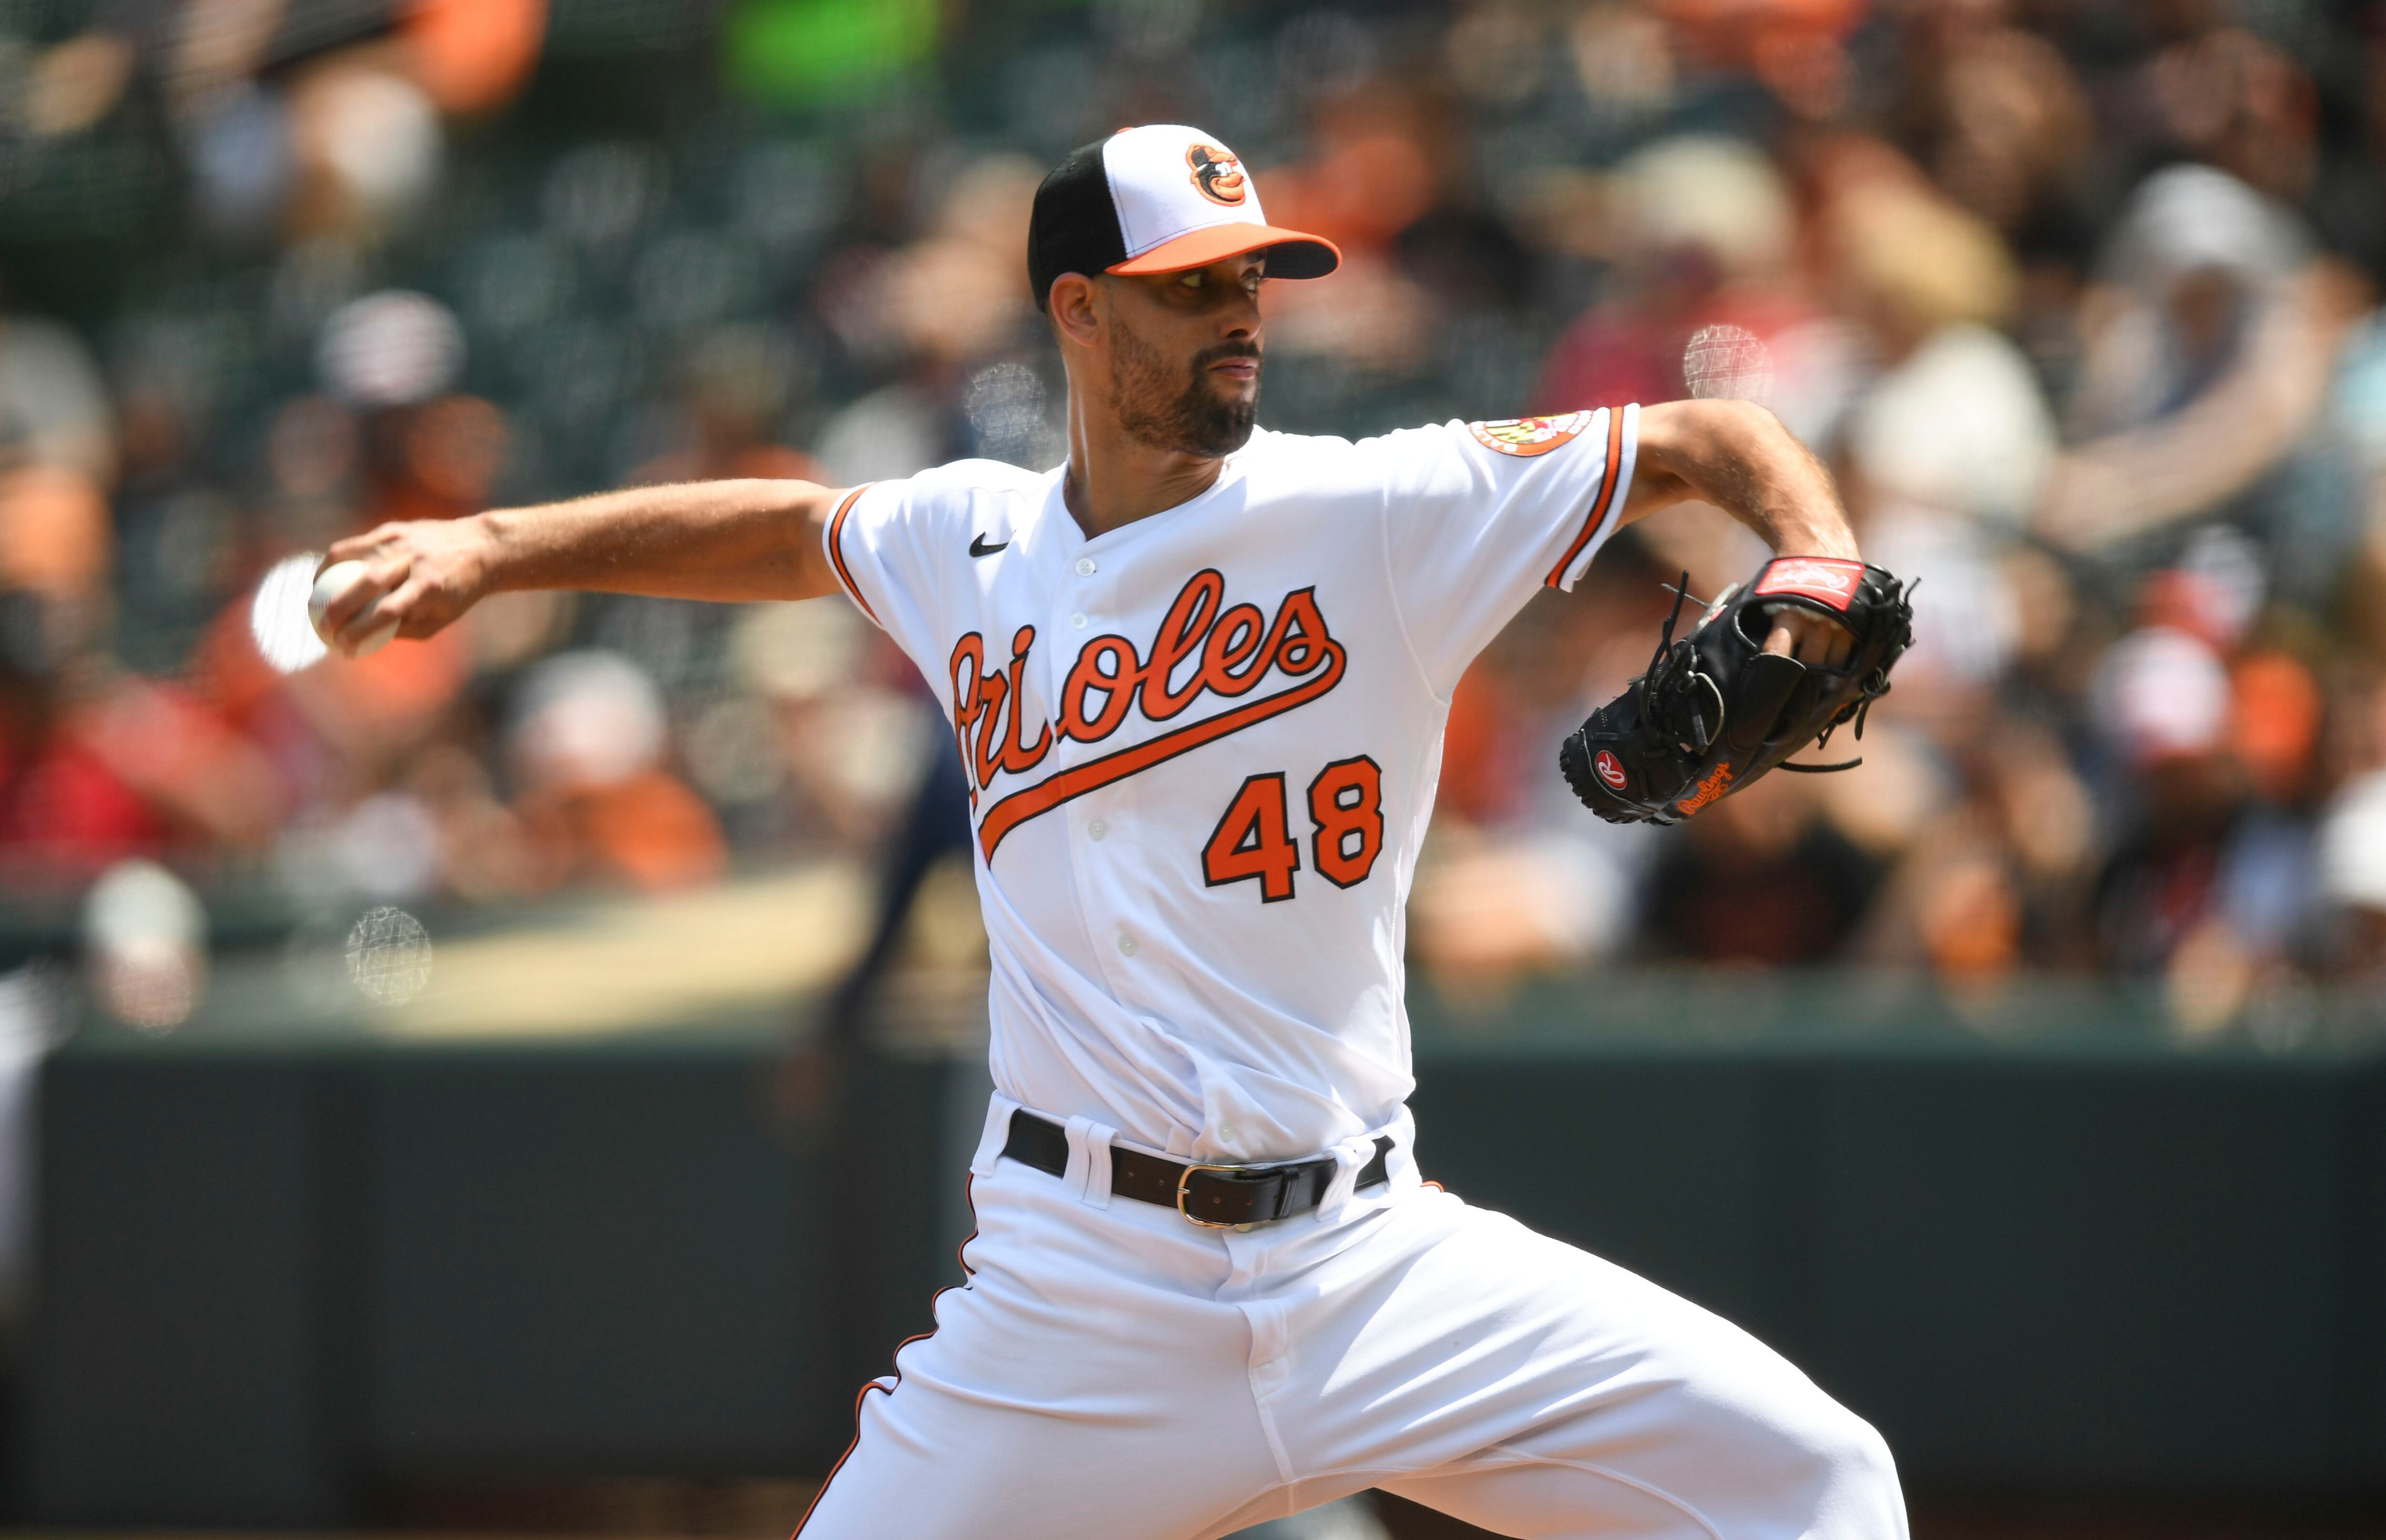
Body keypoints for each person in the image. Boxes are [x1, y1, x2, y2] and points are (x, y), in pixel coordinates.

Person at [317, 125, 1904, 1540]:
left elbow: (1713, 441)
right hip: (1082, 1295)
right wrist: (496, 544)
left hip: (1374, 1267)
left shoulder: (1376, 508)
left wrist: (1816, 559)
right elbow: (793, 533)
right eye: (1193, 284)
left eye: (1256, 282)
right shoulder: (969, 539)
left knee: (1817, 1484)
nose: (1241, 316)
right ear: (1078, 309)